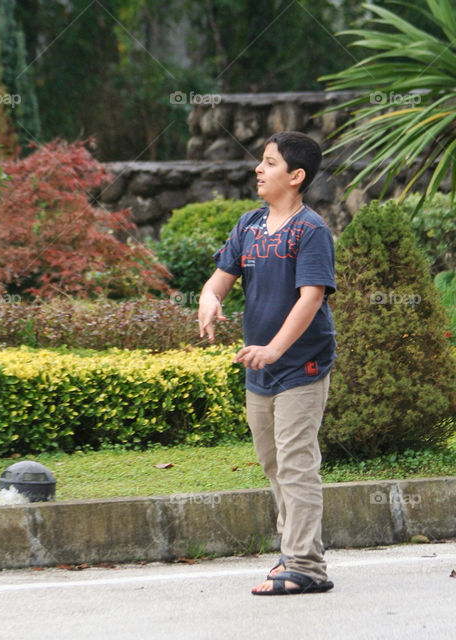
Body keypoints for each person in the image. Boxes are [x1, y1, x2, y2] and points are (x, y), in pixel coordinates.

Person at [198, 131, 336, 595]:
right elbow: (220, 279)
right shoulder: (249, 225)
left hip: (303, 364)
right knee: (273, 462)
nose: (259, 168)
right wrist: (209, 300)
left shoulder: (311, 230)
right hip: (260, 367)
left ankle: (306, 567)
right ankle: (293, 552)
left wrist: (275, 349)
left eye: (270, 162)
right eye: (261, 161)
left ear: (295, 177)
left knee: (297, 461)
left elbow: (311, 298)